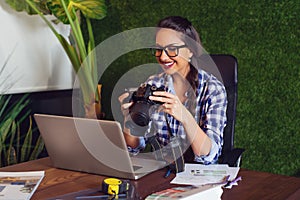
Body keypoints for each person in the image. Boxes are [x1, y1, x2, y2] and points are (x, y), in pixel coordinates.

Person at [119, 16, 227, 165]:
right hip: (164, 169)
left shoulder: (213, 89)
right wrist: (129, 120)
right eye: (158, 49)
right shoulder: (153, 84)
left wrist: (184, 116)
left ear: (190, 51)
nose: (163, 57)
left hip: (199, 174)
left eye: (172, 49)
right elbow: (134, 147)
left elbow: (208, 155)